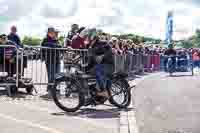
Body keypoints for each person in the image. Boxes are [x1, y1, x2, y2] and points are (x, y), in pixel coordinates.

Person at [87, 29, 114, 97]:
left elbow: (110, 52)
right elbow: (92, 59)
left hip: (108, 65)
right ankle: (93, 93)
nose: (88, 39)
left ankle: (103, 91)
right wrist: (85, 66)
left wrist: (102, 56)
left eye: (89, 37)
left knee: (96, 69)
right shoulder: (91, 47)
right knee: (88, 71)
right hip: (101, 66)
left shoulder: (103, 43)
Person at [41, 27, 61, 93]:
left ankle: (55, 87)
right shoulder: (45, 40)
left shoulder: (57, 40)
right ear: (49, 33)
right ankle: (50, 88)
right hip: (50, 60)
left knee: (57, 75)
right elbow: (46, 47)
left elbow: (60, 47)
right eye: (52, 32)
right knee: (51, 75)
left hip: (57, 60)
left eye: (54, 32)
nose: (54, 33)